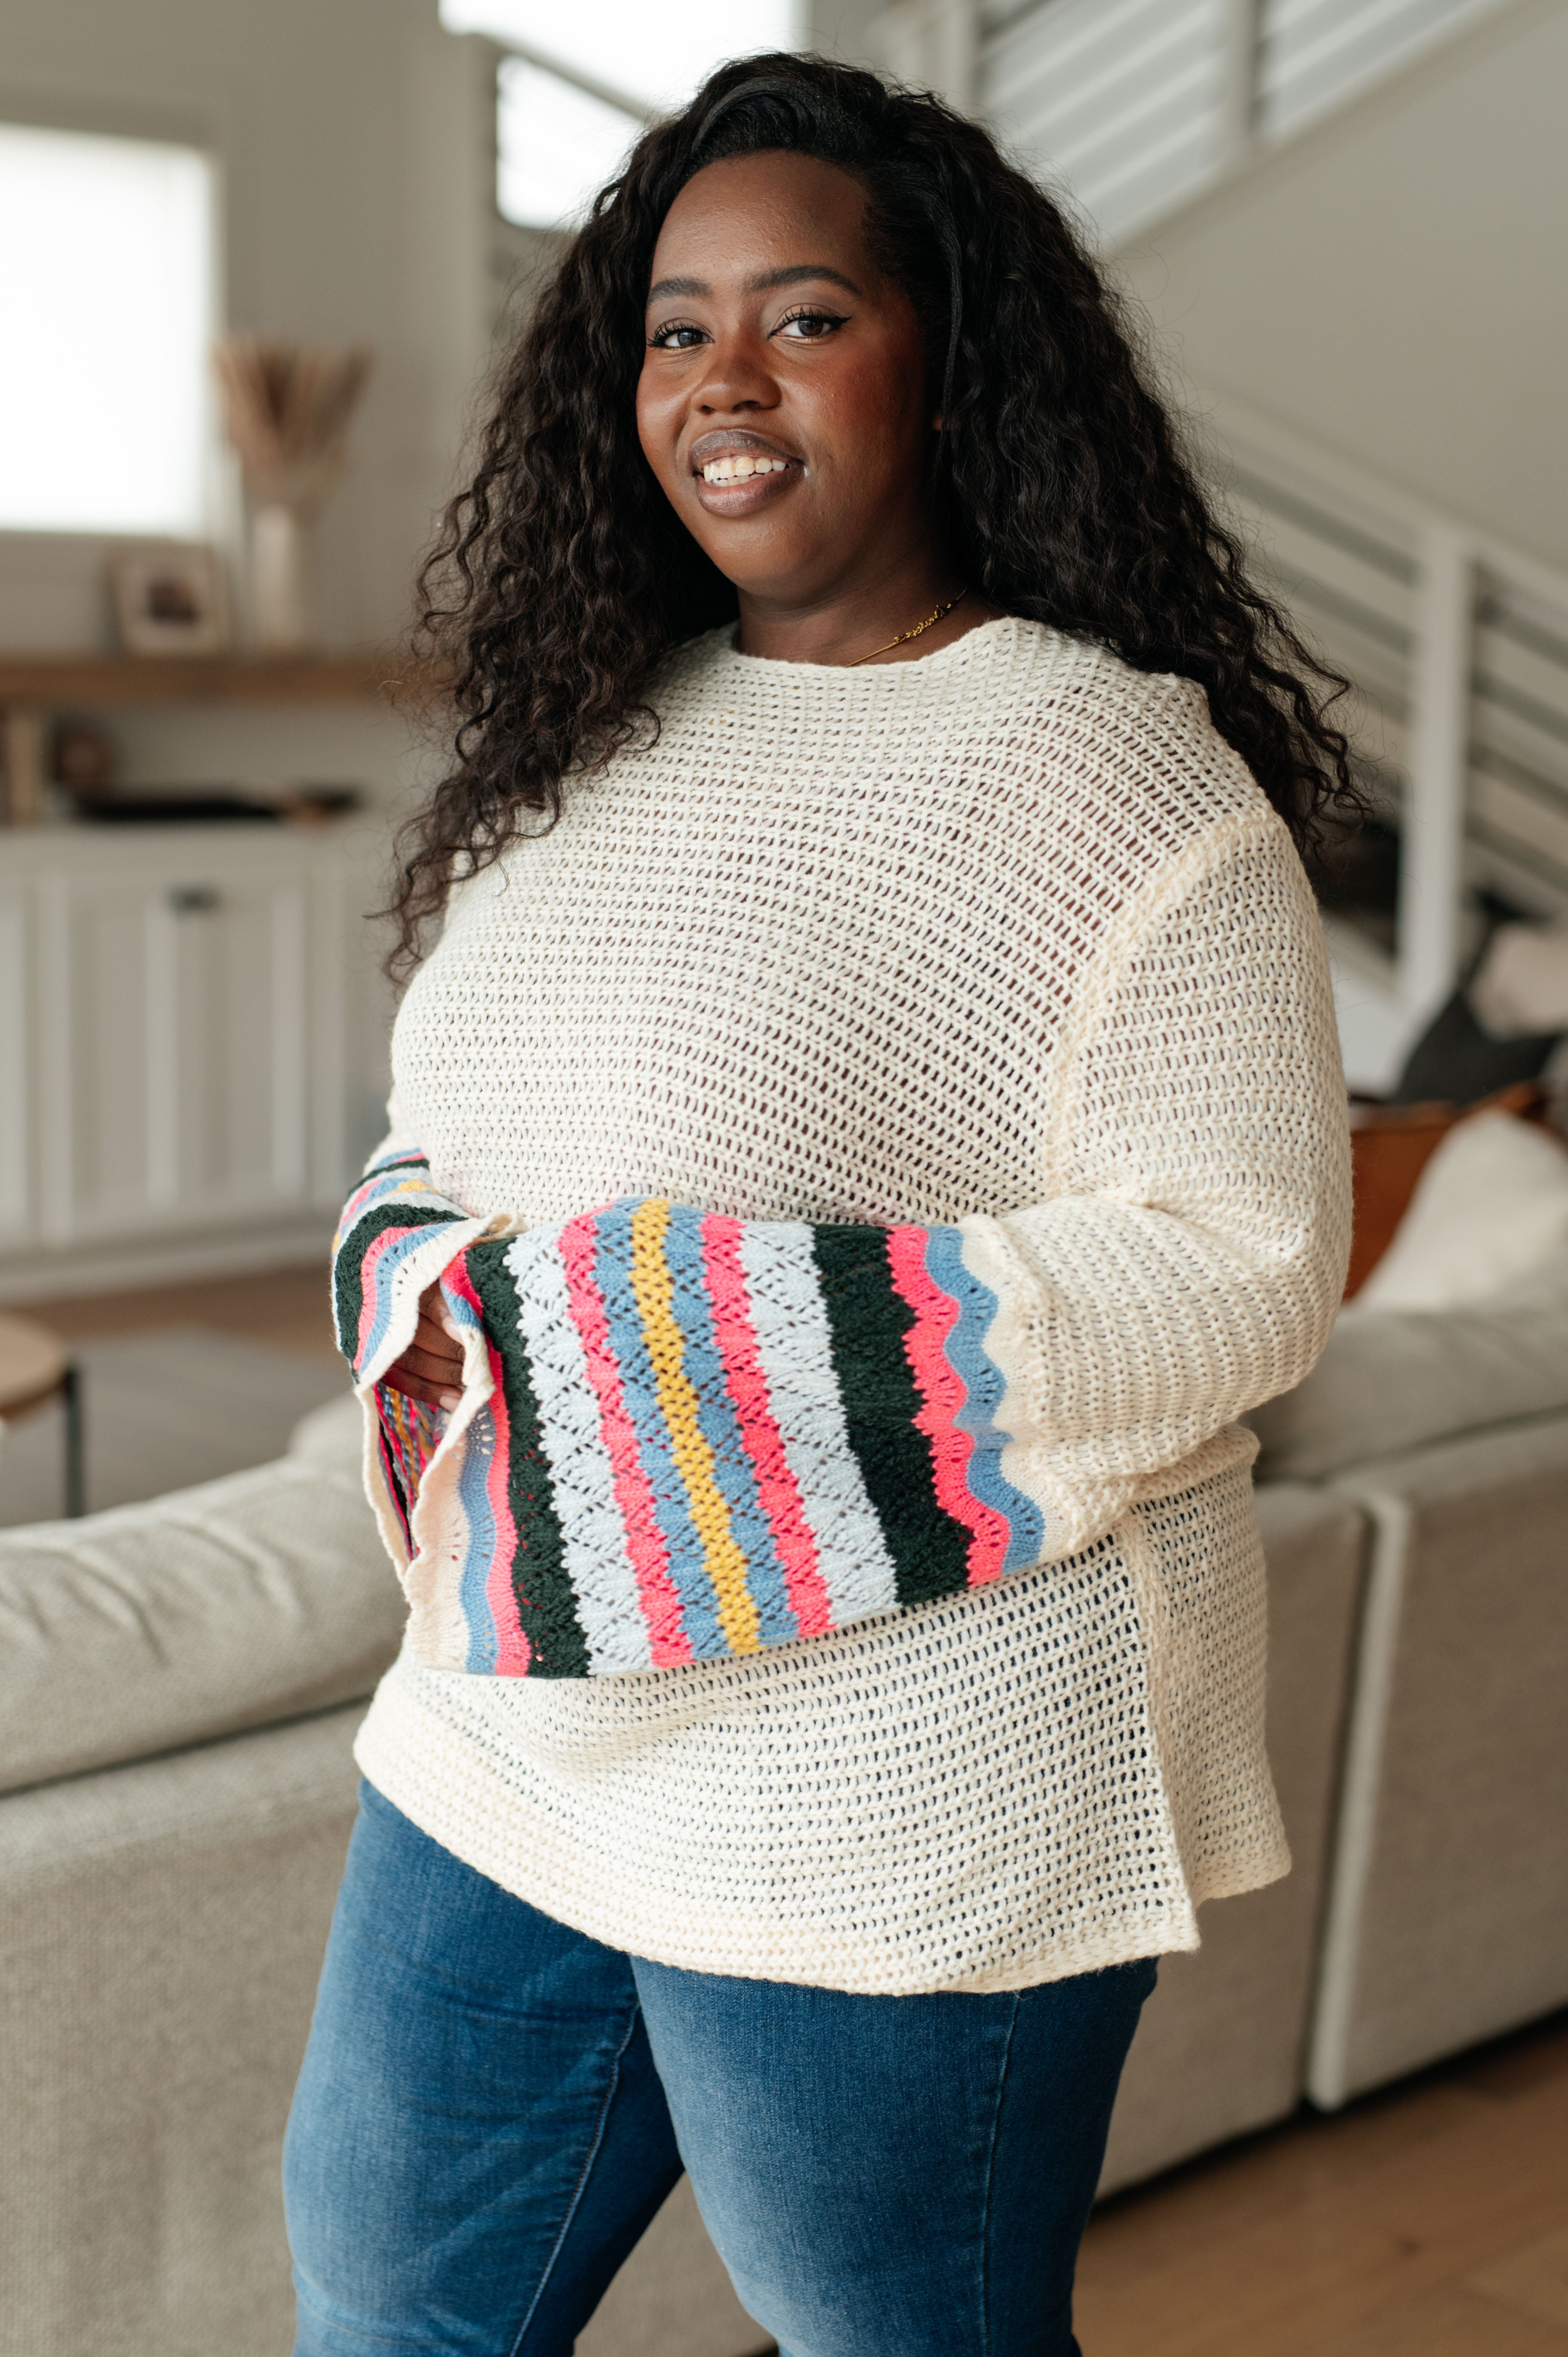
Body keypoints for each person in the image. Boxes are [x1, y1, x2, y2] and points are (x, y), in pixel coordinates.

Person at [286, 52, 1354, 2357]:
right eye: (675, 328)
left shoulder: (1113, 780)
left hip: (898, 1755)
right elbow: (436, 1136)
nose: (722, 383)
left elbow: (1250, 1260)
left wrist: (645, 1342)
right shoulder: (599, 730)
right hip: (509, 1704)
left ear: (949, 359)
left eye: (803, 315)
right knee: (389, 2309)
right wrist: (429, 1274)